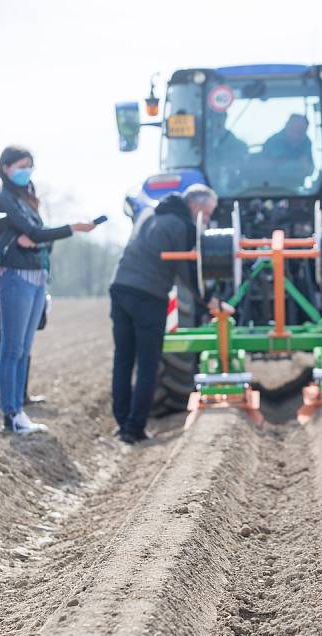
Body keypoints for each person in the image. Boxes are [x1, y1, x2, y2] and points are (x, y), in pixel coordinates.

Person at [110, 183, 218, 445]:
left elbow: (134, 204)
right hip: (149, 296)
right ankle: (134, 429)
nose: (209, 218)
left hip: (120, 288)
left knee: (123, 359)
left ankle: (122, 421)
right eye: (209, 212)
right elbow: (190, 274)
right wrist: (210, 301)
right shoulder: (184, 226)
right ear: (196, 206)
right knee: (148, 364)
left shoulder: (149, 212)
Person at [0, 145, 95, 435]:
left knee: (24, 348)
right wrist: (71, 228)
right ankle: (11, 413)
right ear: (6, 168)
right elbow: (36, 233)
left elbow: (38, 238)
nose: (26, 170)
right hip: (16, 275)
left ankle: (19, 408)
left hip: (37, 276)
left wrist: (36, 239)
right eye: (21, 165)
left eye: (29, 165)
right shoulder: (5, 199)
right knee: (12, 347)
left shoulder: (26, 199)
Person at [261, 114, 314, 184]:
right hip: (272, 188)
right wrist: (299, 165)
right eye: (293, 129)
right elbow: (278, 166)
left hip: (299, 191)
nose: (296, 136)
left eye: (301, 132)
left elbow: (309, 168)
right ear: (286, 126)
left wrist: (304, 167)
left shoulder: (306, 142)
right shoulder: (274, 142)